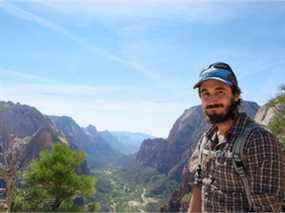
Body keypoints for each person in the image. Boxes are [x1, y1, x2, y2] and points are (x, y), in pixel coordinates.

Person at [188, 62, 284, 212]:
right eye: (205, 93)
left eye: (220, 92)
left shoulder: (258, 140)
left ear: (236, 95)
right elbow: (198, 187)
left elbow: (268, 208)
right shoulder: (206, 139)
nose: (212, 101)